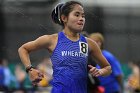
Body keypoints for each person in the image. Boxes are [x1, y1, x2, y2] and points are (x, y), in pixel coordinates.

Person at [18, 1, 112, 93]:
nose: (81, 18)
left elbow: (107, 68)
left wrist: (100, 72)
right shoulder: (51, 40)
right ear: (64, 18)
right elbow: (23, 49)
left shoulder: (89, 43)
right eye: (77, 15)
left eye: (83, 16)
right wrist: (30, 69)